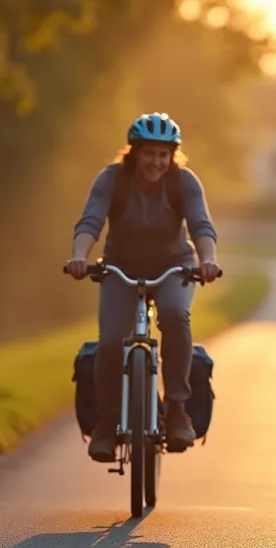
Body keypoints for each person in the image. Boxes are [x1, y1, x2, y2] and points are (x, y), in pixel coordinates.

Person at [65, 112, 223, 462]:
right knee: (110, 340)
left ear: (172, 156)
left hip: (174, 267)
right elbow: (91, 219)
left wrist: (207, 260)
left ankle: (178, 408)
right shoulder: (112, 179)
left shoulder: (184, 182)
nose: (156, 162)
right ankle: (107, 422)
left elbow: (201, 225)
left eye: (163, 155)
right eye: (149, 153)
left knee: (175, 314)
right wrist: (79, 255)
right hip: (120, 268)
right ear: (134, 152)